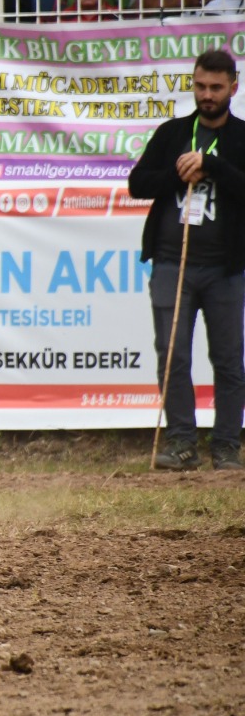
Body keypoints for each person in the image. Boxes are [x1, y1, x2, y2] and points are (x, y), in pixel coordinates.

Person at [128, 49, 245, 472]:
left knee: (228, 358)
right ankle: (181, 441)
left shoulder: (240, 137)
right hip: (171, 264)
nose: (207, 95)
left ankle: (227, 444)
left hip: (225, 270)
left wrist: (211, 165)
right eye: (200, 86)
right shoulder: (172, 132)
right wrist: (178, 173)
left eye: (215, 87)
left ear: (233, 87)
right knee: (172, 354)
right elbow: (137, 183)